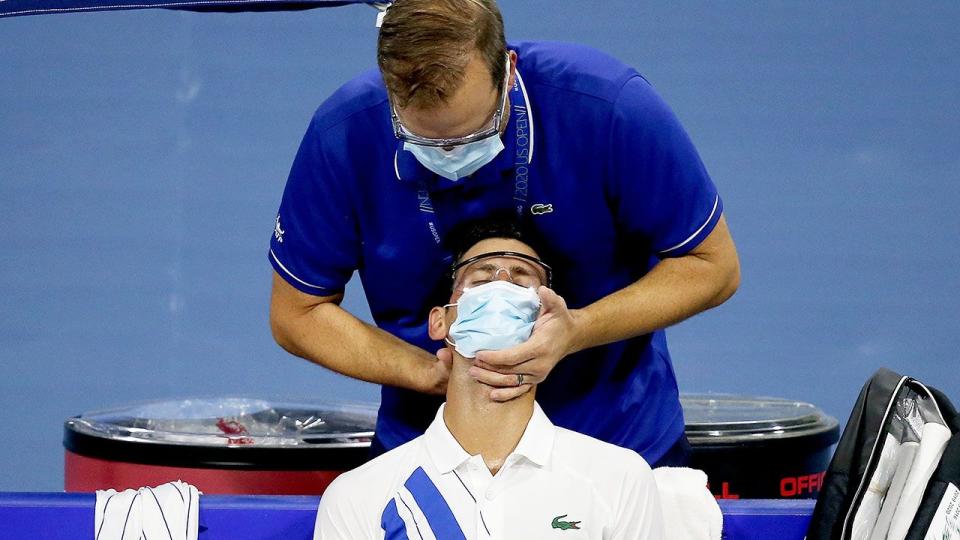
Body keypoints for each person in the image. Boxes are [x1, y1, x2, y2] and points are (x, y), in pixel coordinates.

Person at [268, 0, 740, 466]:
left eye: (473, 136)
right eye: (426, 142)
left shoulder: (608, 105)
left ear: (508, 71)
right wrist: (430, 372)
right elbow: (297, 313)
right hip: (427, 452)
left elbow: (712, 267)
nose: (451, 159)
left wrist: (576, 330)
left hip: (619, 443)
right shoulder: (344, 134)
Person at [313, 223, 665, 539]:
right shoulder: (358, 496)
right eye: (480, 281)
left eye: (521, 279)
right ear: (441, 322)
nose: (501, 284)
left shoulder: (619, 479)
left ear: (550, 320)